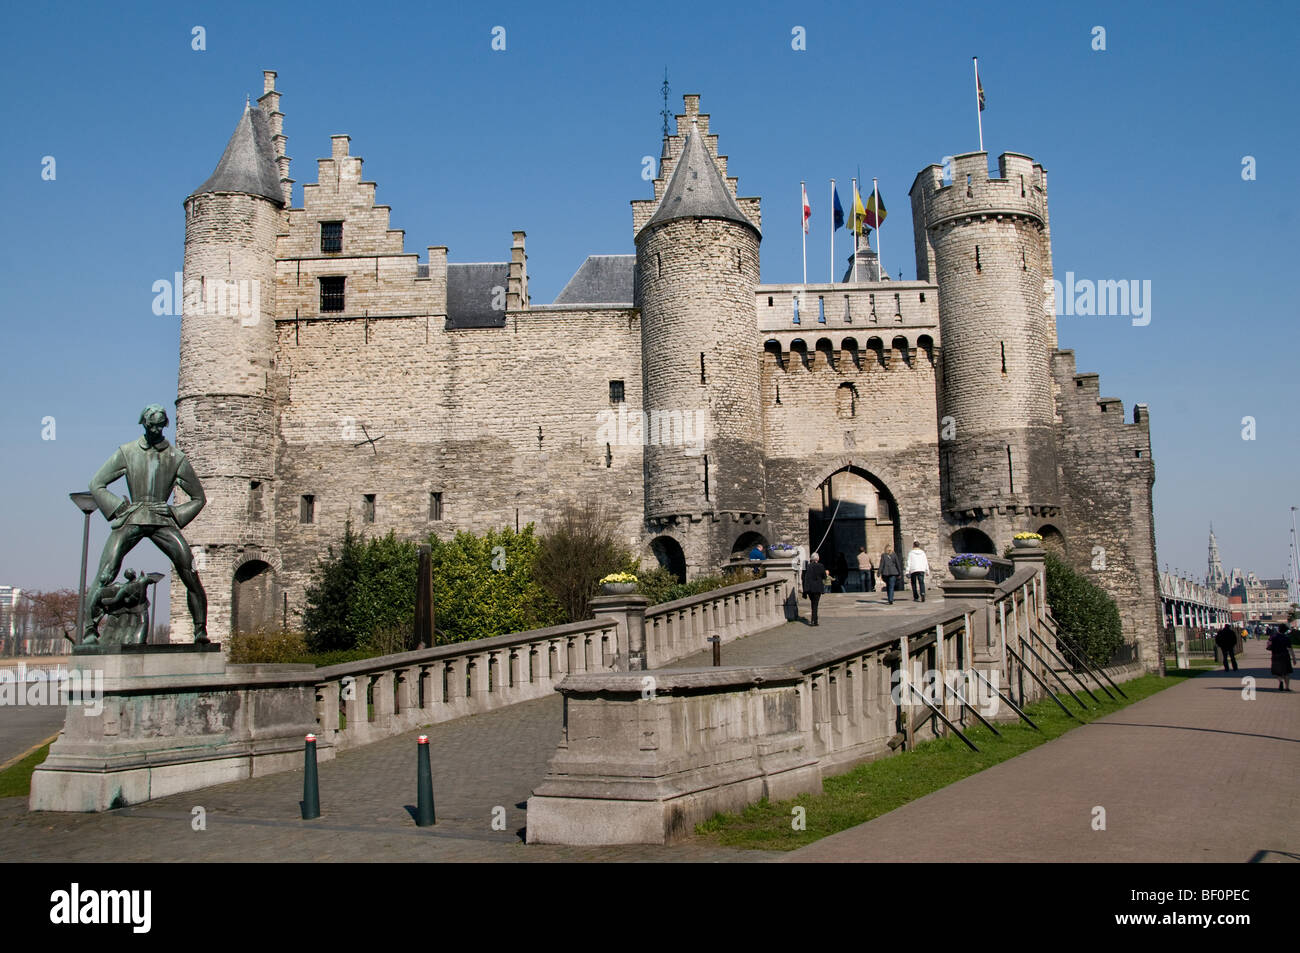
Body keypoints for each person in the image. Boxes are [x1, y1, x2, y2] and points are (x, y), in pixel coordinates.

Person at [83, 404, 208, 644]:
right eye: (152, 425)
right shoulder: (128, 452)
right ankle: (90, 630)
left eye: (160, 425)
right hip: (134, 517)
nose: (156, 429)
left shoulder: (176, 458)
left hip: (162, 520)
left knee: (190, 571)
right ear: (144, 424)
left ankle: (200, 630)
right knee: (106, 572)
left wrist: (174, 511)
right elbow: (97, 483)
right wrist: (118, 508)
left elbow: (198, 498)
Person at [802, 553, 831, 626]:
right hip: (817, 587)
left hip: (809, 588)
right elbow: (824, 577)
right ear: (818, 559)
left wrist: (804, 591)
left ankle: (814, 620)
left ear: (811, 559)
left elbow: (803, 577)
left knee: (813, 603)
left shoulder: (807, 566)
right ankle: (814, 620)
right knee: (815, 604)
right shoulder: (821, 566)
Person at [1267, 626, 1296, 691]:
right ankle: (1287, 687)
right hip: (1285, 656)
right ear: (1285, 631)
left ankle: (1280, 681)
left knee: (1276, 671)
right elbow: (1291, 649)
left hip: (1276, 655)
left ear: (1279, 629)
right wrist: (1294, 658)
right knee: (1287, 672)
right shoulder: (1287, 638)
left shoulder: (1273, 637)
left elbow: (1268, 645)